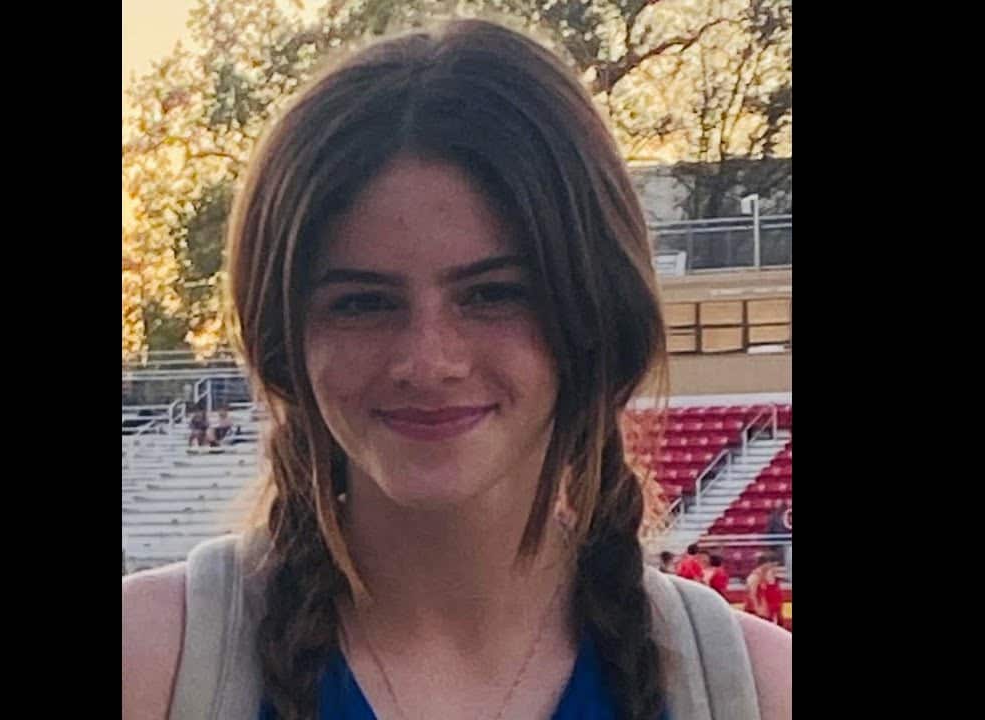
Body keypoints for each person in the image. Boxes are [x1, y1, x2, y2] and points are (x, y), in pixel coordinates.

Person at [123, 18, 789, 720]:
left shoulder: (755, 689)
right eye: (362, 303)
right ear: (286, 338)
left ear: (595, 316)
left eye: (494, 294)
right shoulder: (152, 664)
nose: (427, 360)